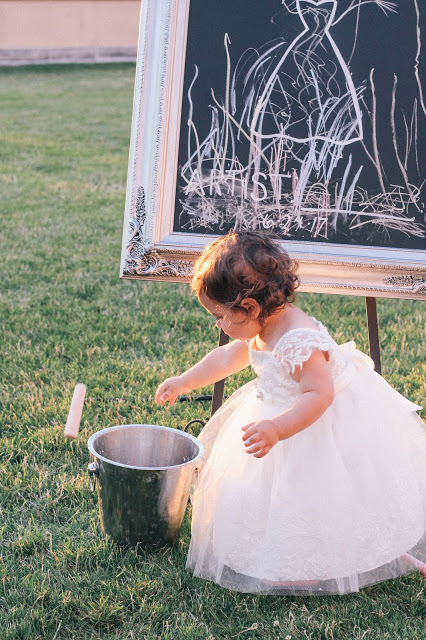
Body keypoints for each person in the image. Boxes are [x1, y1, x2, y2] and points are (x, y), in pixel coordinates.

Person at [155, 231, 426, 595]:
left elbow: (320, 394)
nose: (218, 325)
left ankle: (327, 556)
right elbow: (227, 357)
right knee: (269, 490)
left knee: (317, 490)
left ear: (249, 309)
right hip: (279, 413)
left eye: (219, 316)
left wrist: (278, 429)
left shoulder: (298, 338)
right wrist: (184, 381)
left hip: (318, 422)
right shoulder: (261, 323)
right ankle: (272, 544)